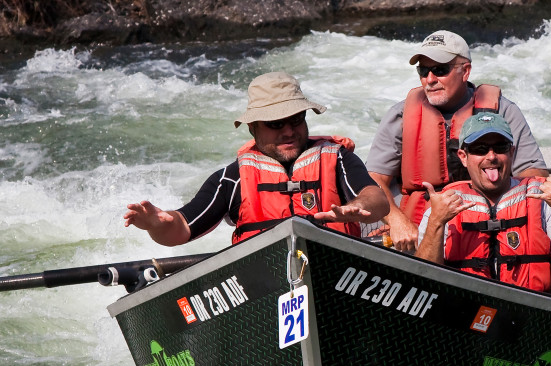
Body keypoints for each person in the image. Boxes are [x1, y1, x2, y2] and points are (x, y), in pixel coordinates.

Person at [124, 72, 389, 246]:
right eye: (275, 123)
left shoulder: (337, 158)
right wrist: (157, 225)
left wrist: (357, 208)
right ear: (253, 128)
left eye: (296, 119)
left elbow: (376, 201)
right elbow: (181, 228)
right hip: (263, 281)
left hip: (334, 266)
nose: (288, 131)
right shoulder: (232, 178)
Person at [366, 29, 549, 251]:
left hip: (486, 229)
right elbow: (373, 180)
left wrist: (495, 211)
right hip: (420, 232)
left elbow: (534, 175)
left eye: (440, 70)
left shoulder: (503, 111)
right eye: (423, 71)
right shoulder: (400, 115)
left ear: (465, 71)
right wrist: (396, 221)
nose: (430, 80)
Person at [415, 113, 551, 293]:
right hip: (463, 308)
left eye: (500, 147)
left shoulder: (544, 198)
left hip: (532, 309)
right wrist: (436, 221)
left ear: (511, 153)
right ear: (463, 157)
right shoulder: (442, 206)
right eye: (480, 149)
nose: (491, 156)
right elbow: (423, 282)